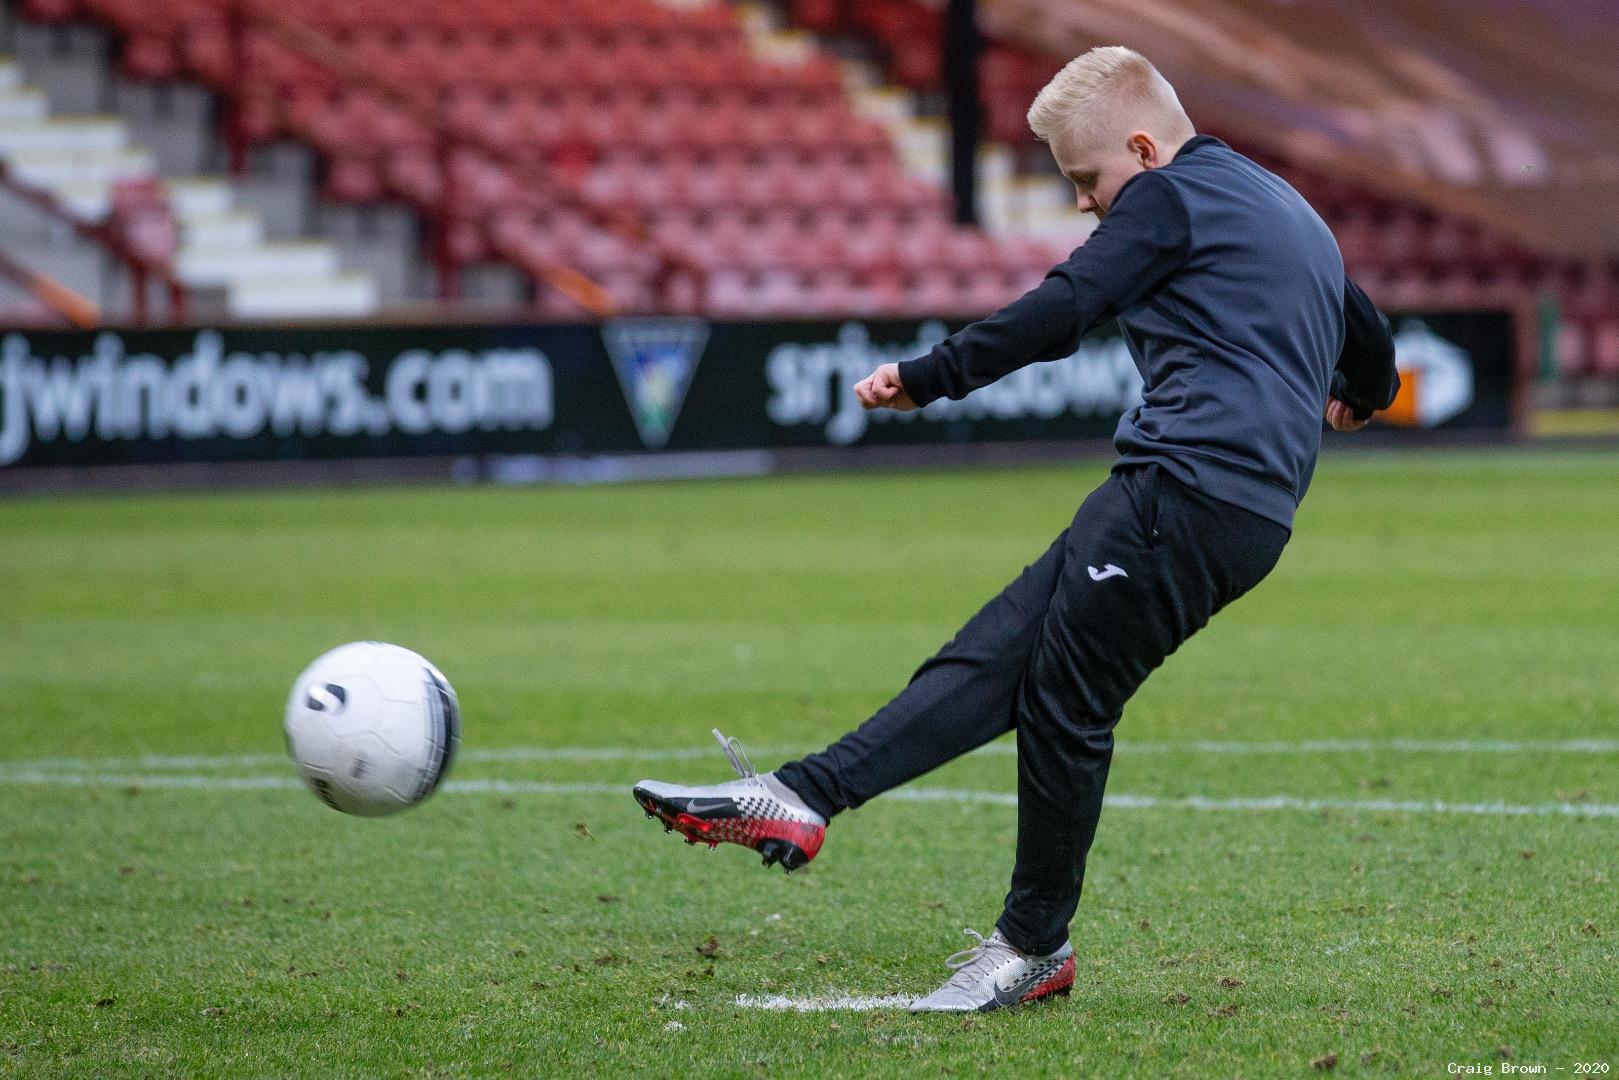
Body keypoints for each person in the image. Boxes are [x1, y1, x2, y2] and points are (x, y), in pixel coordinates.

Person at [632, 45, 1399, 1014]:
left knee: (1063, 704)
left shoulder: (1162, 197)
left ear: (1140, 147)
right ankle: (803, 795)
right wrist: (1358, 396)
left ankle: (1033, 946)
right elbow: (1364, 332)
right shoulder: (1281, 205)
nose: (1085, 203)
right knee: (1000, 654)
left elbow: (1068, 304)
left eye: (1086, 180)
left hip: (1182, 489)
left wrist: (931, 374)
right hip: (1233, 510)